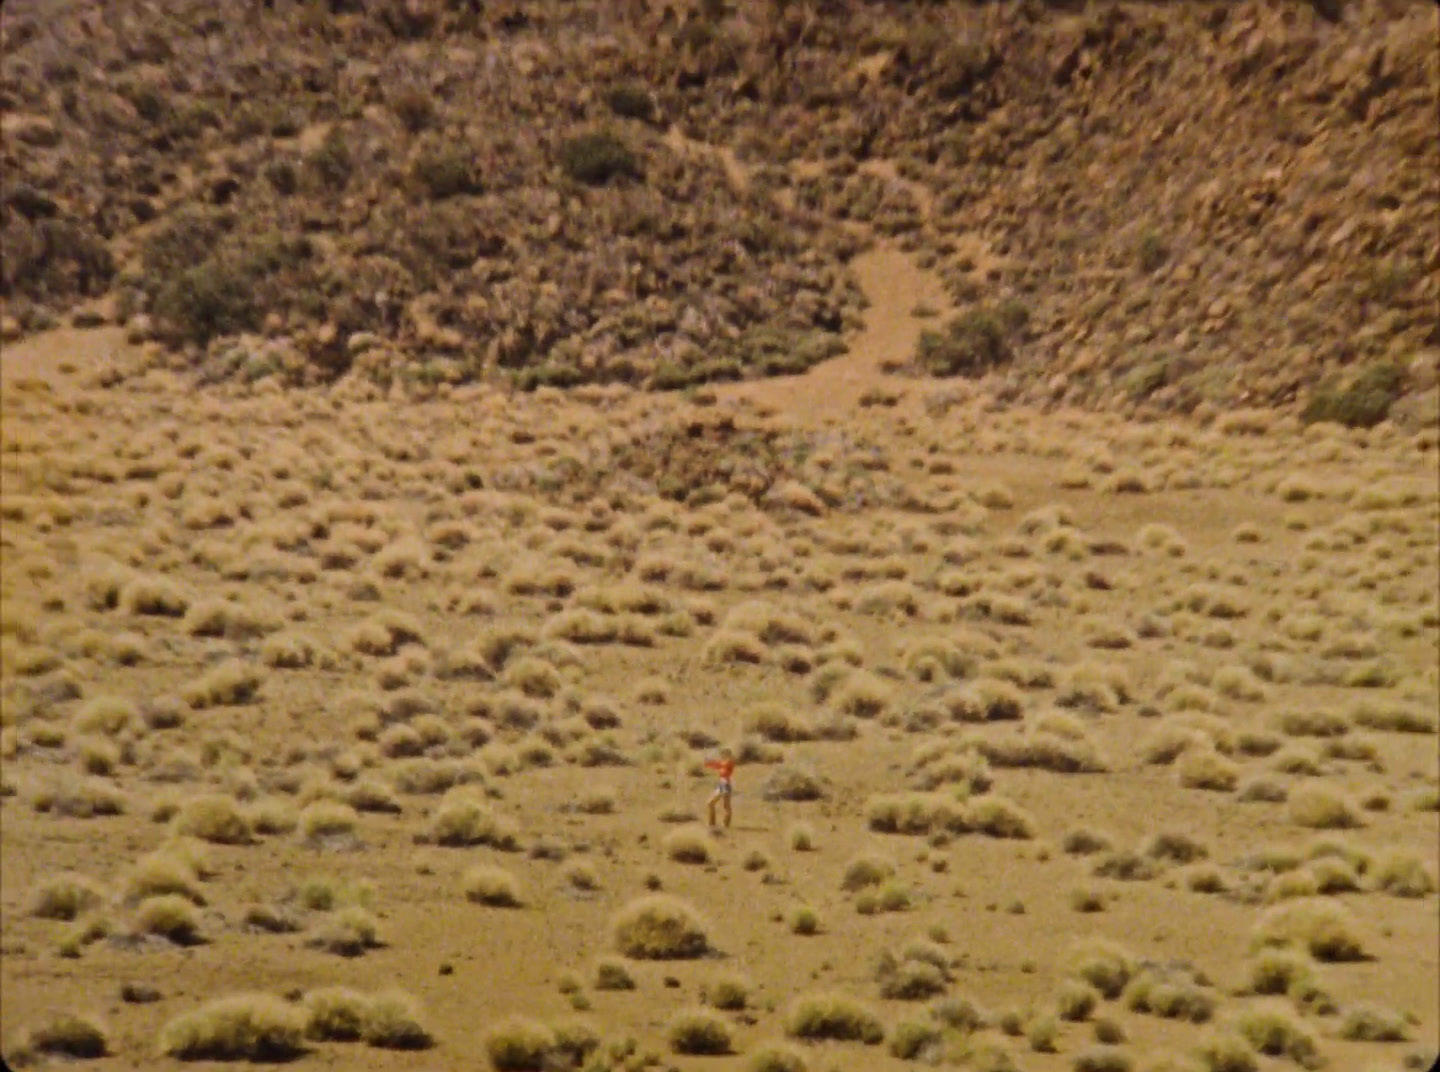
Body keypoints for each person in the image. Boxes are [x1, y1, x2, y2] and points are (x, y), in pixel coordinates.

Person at [704, 748, 736, 829]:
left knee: (726, 806)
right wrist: (708, 762)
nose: (722, 756)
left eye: (724, 754)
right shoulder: (723, 763)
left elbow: (722, 764)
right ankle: (712, 823)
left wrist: (711, 761)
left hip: (726, 784)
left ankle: (724, 825)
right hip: (721, 784)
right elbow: (716, 765)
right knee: (711, 803)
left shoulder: (729, 763)